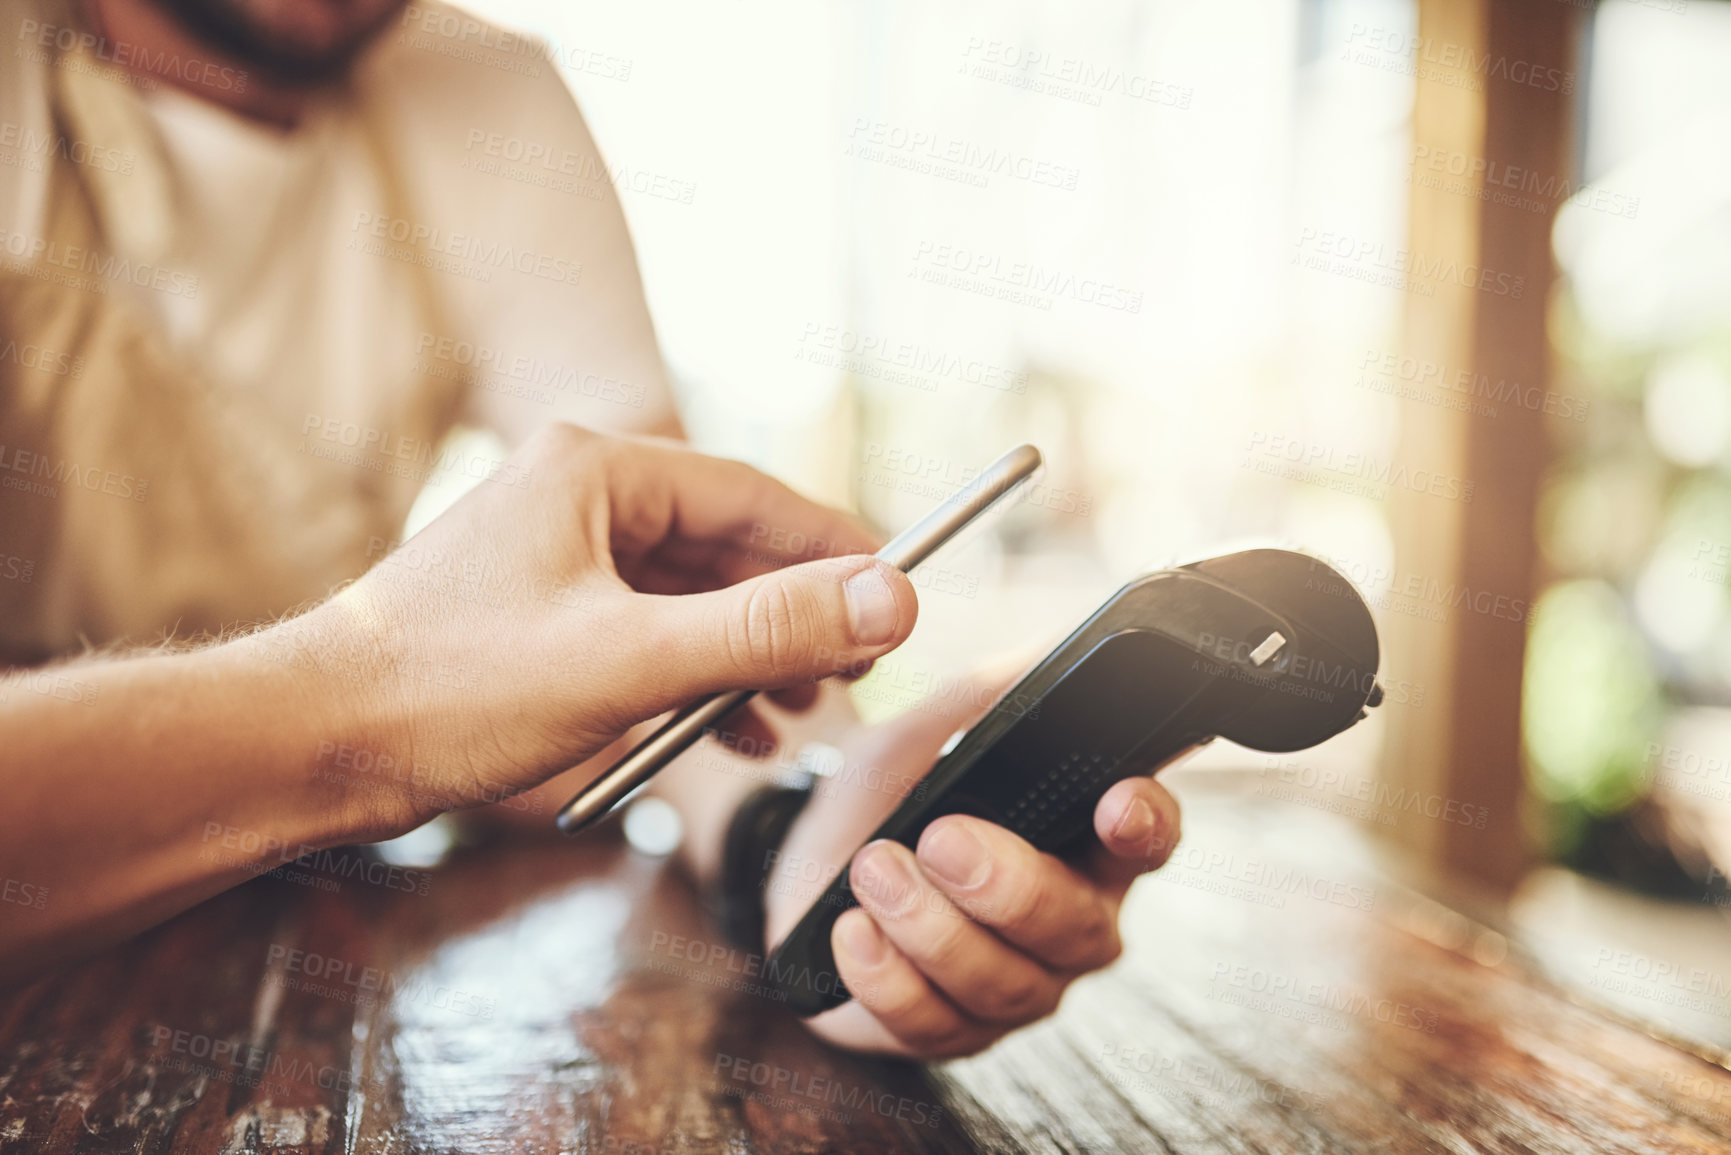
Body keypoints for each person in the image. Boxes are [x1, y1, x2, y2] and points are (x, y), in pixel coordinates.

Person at [0, 0, 1183, 1059]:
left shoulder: (485, 92)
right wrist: (379, 709)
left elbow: (651, 593)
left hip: (318, 928)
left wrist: (801, 849)